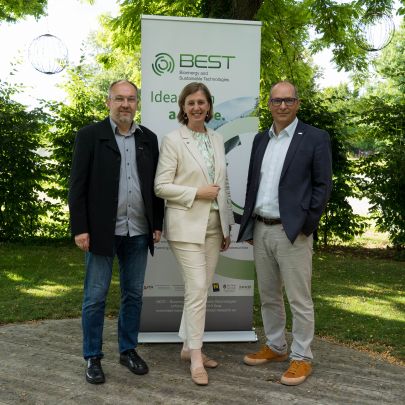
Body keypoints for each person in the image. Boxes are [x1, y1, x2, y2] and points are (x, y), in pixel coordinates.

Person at [68, 80, 164, 384]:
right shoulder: (90, 136)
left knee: (133, 294)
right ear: (108, 102)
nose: (125, 104)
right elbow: (77, 186)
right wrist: (81, 228)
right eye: (119, 99)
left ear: (137, 103)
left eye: (131, 99)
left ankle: (128, 350)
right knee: (95, 297)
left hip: (138, 230)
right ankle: (92, 357)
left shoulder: (148, 139)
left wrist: (157, 223)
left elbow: (156, 188)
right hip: (100, 232)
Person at [237, 81, 332, 386]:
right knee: (268, 295)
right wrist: (251, 224)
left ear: (297, 103)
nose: (282, 106)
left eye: (288, 100)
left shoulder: (315, 138)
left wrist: (306, 225)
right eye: (276, 101)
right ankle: (277, 347)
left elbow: (322, 186)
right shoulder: (260, 140)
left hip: (293, 232)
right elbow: (255, 184)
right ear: (269, 104)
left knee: (299, 299)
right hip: (262, 229)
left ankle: (301, 358)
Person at [154, 82, 234, 386]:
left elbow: (223, 186)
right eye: (191, 103)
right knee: (199, 288)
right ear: (183, 108)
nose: (197, 107)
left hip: (215, 228)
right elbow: (160, 186)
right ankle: (197, 358)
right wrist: (196, 193)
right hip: (186, 226)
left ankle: (188, 347)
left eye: (202, 102)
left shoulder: (217, 138)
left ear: (209, 106)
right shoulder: (173, 140)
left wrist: (226, 225)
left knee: (198, 291)